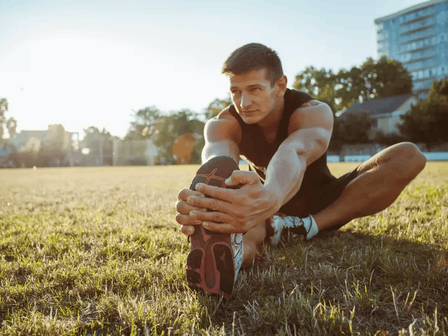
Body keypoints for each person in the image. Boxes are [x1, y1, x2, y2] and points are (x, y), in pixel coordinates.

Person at [175, 43, 427, 298]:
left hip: (322, 202)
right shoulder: (223, 124)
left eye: (255, 89)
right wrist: (211, 200)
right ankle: (233, 258)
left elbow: (295, 152)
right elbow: (219, 161)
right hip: (262, 212)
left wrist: (271, 195)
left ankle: (306, 227)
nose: (244, 102)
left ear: (280, 86)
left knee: (408, 155)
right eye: (235, 91)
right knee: (240, 228)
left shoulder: (312, 112)